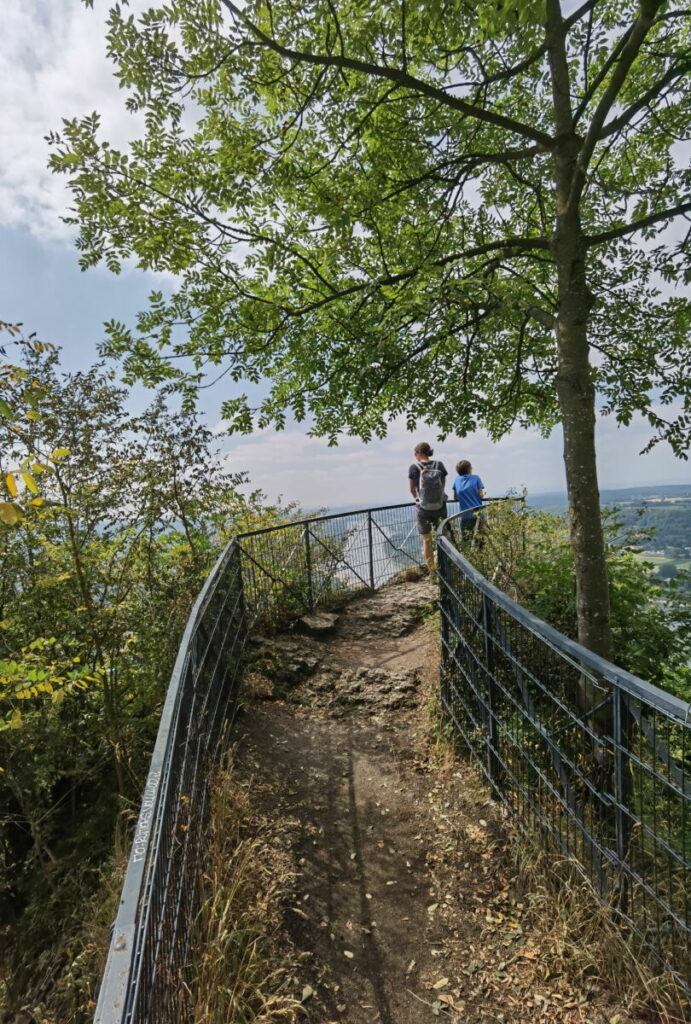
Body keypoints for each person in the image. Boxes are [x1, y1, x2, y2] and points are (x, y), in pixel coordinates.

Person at [408, 442, 448, 572]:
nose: (415, 456)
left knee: (426, 540)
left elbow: (412, 490)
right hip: (440, 506)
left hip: (423, 508)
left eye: (415, 453)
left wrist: (418, 499)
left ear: (419, 452)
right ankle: (445, 568)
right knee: (443, 538)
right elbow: (442, 486)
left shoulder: (414, 467)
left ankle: (432, 572)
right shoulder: (439, 465)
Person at [451, 460, 485, 542]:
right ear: (469, 469)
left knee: (466, 541)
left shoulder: (457, 480)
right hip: (478, 514)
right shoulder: (476, 478)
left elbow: (455, 497)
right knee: (480, 541)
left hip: (465, 515)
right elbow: (481, 495)